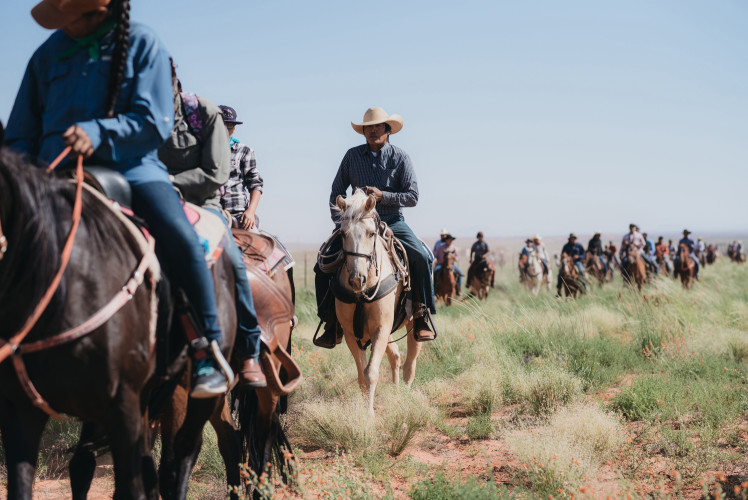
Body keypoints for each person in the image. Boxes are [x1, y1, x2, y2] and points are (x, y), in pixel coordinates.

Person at [4, 0, 228, 397]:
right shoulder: (47, 54)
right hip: (51, 175)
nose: (63, 26)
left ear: (100, 12)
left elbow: (152, 121)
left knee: (181, 238)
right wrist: (21, 173)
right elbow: (21, 129)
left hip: (133, 169)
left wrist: (99, 131)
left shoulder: (143, 44)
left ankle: (205, 348)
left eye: (69, 17)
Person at [157, 65, 265, 389]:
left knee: (233, 261)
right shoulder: (142, 118)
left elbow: (217, 174)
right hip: (158, 204)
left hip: (204, 205)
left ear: (175, 81)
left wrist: (168, 183)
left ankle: (249, 348)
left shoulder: (202, 113)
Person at [314, 107, 435, 348]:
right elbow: (335, 193)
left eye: (377, 126)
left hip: (392, 222)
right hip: (357, 224)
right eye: (368, 127)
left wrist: (384, 196)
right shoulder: (351, 156)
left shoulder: (401, 158)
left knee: (422, 258)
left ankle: (421, 314)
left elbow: (412, 196)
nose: (372, 131)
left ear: (388, 130)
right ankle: (331, 322)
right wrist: (343, 224)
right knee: (322, 265)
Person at [218, 105, 264, 230]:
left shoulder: (244, 151)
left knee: (257, 246)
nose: (226, 131)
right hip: (211, 213)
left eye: (230, 127)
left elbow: (255, 184)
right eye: (223, 127)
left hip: (238, 215)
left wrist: (250, 212)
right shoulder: (203, 151)